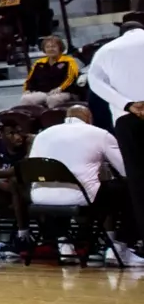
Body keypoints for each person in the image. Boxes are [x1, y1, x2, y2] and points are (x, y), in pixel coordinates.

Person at [25, 106, 140, 266]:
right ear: (89, 118)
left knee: (57, 190)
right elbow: (127, 170)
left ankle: (64, 245)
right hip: (80, 197)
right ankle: (119, 246)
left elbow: (32, 167)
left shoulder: (42, 135)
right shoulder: (99, 134)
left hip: (40, 197)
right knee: (133, 189)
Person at [86, 20, 144, 261]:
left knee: (138, 180)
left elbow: (94, 82)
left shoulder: (107, 50)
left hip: (126, 118)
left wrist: (127, 104)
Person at [21, 36, 80, 108]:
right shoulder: (39, 62)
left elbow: (71, 77)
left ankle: (53, 118)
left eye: (53, 46)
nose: (50, 49)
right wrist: (27, 90)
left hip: (64, 91)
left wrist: (60, 88)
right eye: (47, 47)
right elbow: (30, 79)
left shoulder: (69, 61)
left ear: (60, 48)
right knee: (26, 98)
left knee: (53, 99)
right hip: (43, 92)